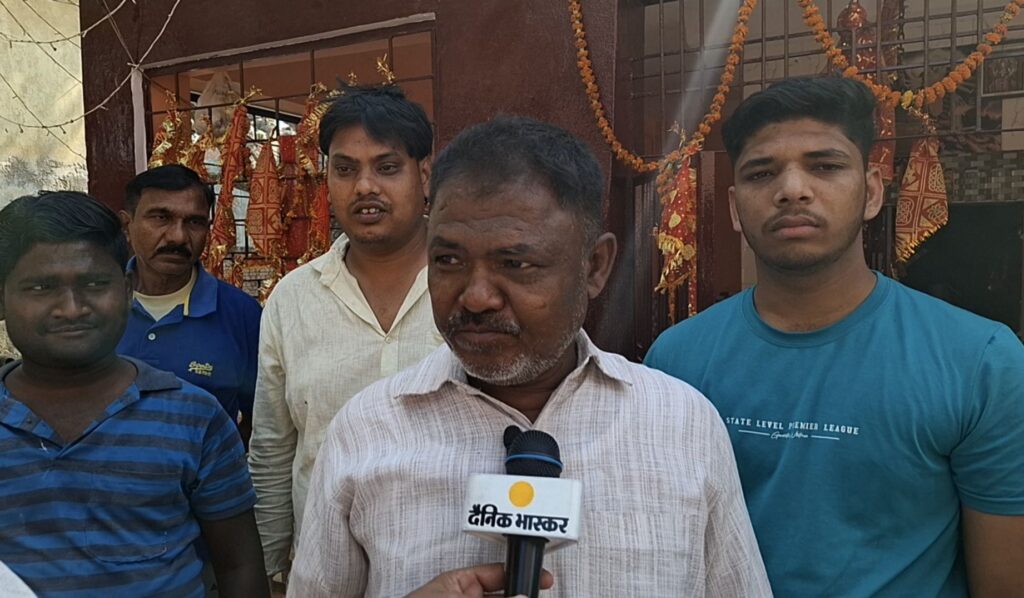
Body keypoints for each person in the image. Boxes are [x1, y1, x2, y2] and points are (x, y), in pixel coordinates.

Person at [287, 116, 770, 597]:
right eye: (448, 261)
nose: (476, 297)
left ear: (594, 267)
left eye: (515, 263)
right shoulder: (366, 431)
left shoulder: (682, 427)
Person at [645, 76, 1024, 596]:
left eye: (824, 166)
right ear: (734, 207)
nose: (792, 189)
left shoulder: (981, 362)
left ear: (872, 192)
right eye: (762, 173)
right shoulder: (677, 361)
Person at [0, 192, 268, 597]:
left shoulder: (193, 417)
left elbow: (239, 565)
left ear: (126, 289)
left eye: (94, 284)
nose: (71, 308)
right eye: (41, 287)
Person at [248, 84, 444, 581]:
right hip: (323, 573)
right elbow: (273, 450)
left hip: (451, 569)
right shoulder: (293, 300)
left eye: (387, 167)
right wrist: (272, 571)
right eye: (345, 169)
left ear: (424, 174)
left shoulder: (468, 290)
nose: (364, 187)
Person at [117, 164, 261, 446]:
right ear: (126, 226)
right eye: (161, 218)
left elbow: (262, 420)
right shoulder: (95, 307)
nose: (178, 237)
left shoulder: (241, 315)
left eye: (194, 222)